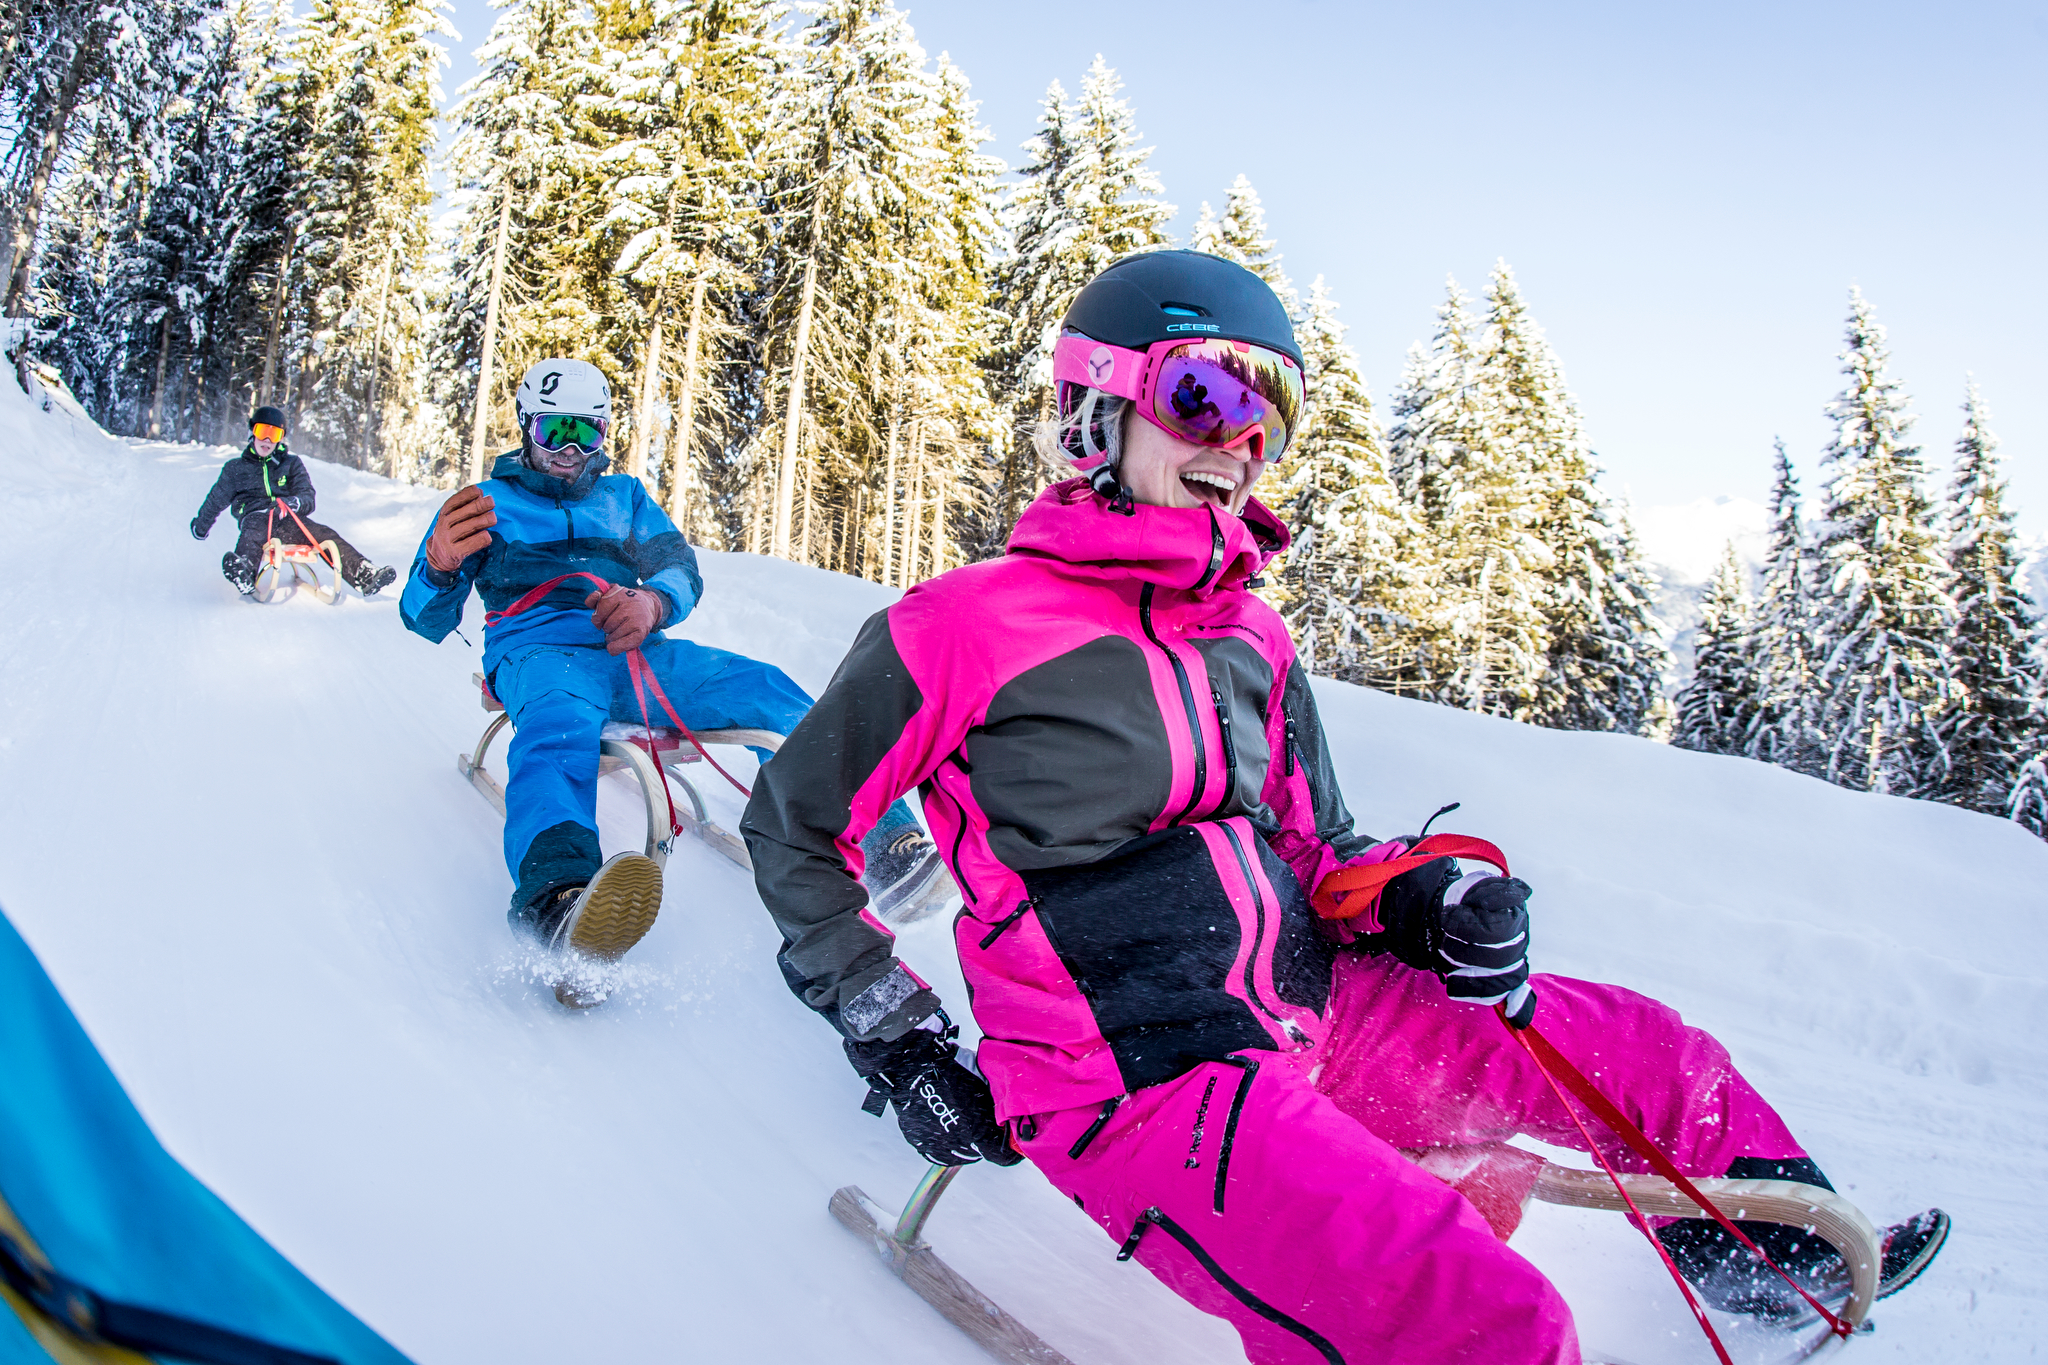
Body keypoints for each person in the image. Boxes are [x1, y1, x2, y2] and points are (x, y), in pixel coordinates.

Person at [740, 252, 1946, 1362]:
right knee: (1482, 1320)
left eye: (1272, 414)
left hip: (1320, 1013)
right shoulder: (957, 628)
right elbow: (794, 826)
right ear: (1094, 405)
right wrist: (898, 1040)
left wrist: (1424, 896)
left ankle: (1768, 1282)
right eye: (1205, 396)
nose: (1241, 439)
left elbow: (1318, 846)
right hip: (1139, 1081)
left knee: (1640, 1051)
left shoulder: (1249, 636)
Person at [400, 359, 949, 992]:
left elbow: (679, 567)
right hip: (538, 653)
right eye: (557, 432)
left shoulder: (624, 497)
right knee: (556, 730)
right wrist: (438, 566)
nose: (572, 450)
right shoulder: (487, 506)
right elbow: (423, 619)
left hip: (634, 648)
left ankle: (888, 845)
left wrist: (653, 602)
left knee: (764, 685)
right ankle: (558, 894)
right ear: (527, 427)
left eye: (589, 430)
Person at [190, 406, 397, 598]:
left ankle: (363, 573)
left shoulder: (291, 464)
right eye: (263, 431)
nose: (268, 440)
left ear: (281, 438)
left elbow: (308, 496)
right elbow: (215, 500)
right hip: (255, 518)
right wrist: (201, 526)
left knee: (324, 534)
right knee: (251, 535)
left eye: (275, 434)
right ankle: (244, 571)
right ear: (252, 431)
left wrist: (294, 503)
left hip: (289, 519)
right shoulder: (235, 468)